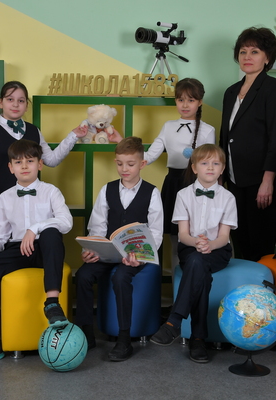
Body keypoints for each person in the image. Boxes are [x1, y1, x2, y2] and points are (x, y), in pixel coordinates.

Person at [0, 138, 73, 368]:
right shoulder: (5, 197)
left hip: (46, 249)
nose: (24, 166)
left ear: (40, 164)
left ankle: (52, 303)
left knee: (52, 232)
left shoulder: (51, 191)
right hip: (16, 249)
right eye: (18, 162)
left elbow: (66, 222)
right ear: (10, 167)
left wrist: (34, 229)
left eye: (30, 161)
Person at [0, 81, 120, 236]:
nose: (15, 104)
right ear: (1, 102)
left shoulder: (34, 131)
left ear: (26, 105)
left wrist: (74, 135)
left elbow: (51, 159)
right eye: (10, 99)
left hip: (33, 207)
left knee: (35, 244)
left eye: (21, 100)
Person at [75, 137, 164, 362]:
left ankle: (124, 339)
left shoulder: (152, 193)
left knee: (121, 278)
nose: (124, 169)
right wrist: (93, 250)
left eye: (130, 164)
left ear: (142, 164)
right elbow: (97, 226)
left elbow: (156, 233)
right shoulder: (107, 189)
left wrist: (140, 257)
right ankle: (86, 333)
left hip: (136, 256)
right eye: (120, 163)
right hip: (108, 254)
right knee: (83, 275)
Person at [150, 144, 237, 363]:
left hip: (218, 250)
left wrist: (210, 245)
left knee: (199, 264)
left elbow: (224, 237)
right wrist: (197, 242)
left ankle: (174, 321)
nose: (210, 167)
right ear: (194, 167)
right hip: (190, 246)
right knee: (199, 268)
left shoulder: (228, 197)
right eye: (204, 163)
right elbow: (183, 234)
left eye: (216, 163)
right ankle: (198, 338)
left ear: (222, 169)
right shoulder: (183, 195)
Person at [220, 27, 276, 262]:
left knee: (261, 247)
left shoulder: (274, 88)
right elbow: (225, 137)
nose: (247, 57)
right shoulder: (230, 92)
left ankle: (261, 287)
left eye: (255, 51)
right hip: (234, 180)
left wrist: (267, 181)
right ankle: (242, 287)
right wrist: (221, 178)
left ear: (267, 57)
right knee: (239, 243)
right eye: (243, 52)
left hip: (262, 181)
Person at [144, 78, 216, 269]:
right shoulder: (168, 126)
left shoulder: (208, 130)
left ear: (200, 102)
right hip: (173, 184)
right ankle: (178, 281)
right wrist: (123, 144)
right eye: (180, 100)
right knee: (175, 236)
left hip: (197, 185)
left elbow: (211, 165)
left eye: (191, 100)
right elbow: (149, 155)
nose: (185, 105)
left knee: (197, 234)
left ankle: (196, 276)